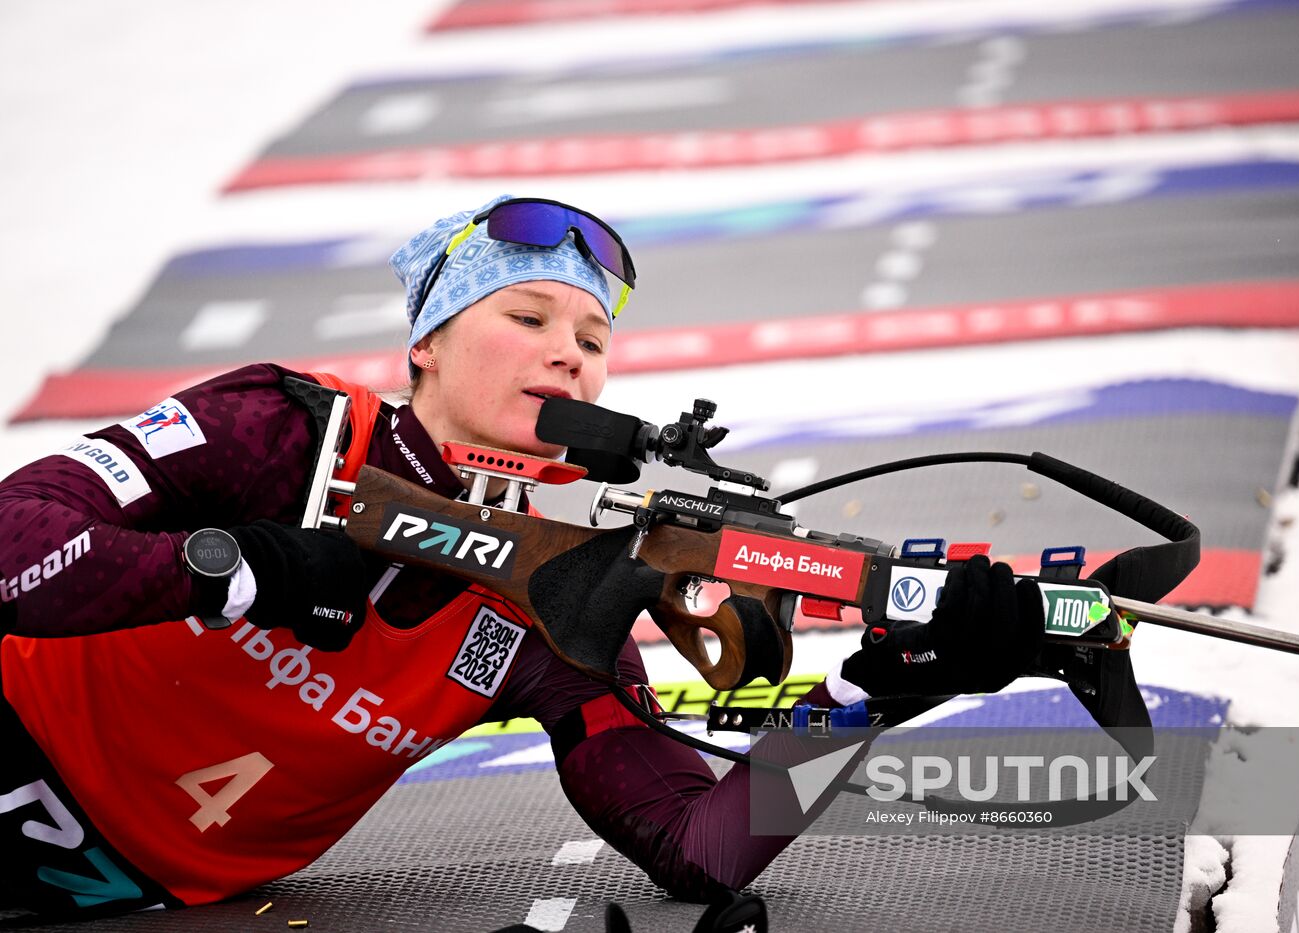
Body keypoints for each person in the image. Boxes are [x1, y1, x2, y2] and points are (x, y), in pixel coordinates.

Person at [0, 194, 1045, 924]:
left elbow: (703, 850)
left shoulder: (563, 588)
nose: (567, 353)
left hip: (102, 890)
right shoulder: (284, 430)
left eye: (593, 341)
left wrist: (872, 697)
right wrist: (247, 570)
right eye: (528, 314)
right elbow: (15, 543)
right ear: (427, 345)